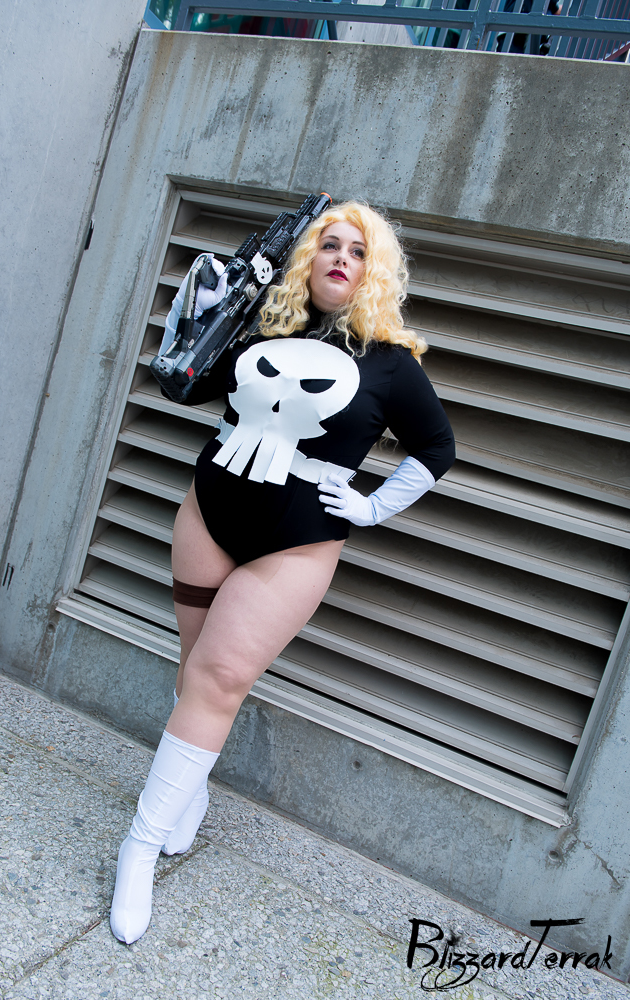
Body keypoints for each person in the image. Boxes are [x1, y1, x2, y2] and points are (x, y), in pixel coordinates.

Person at [110, 201, 455, 944]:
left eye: (357, 251)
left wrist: (373, 507)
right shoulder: (263, 325)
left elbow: (437, 449)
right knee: (196, 669)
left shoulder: (391, 364)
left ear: (373, 270)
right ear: (308, 257)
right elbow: (186, 382)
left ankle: (139, 847)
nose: (340, 258)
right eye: (329, 244)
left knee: (219, 678)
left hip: (296, 543)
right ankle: (187, 795)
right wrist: (207, 306)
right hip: (208, 514)